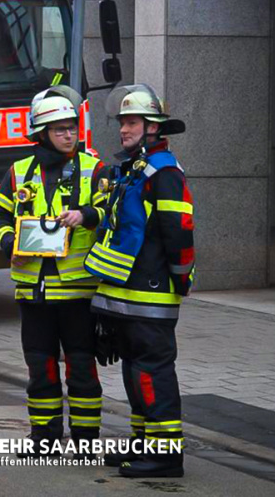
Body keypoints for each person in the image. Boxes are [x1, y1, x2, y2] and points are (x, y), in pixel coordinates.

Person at [0, 86, 107, 457]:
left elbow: (111, 213)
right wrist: (8, 243)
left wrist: (84, 215)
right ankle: (44, 439)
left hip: (76, 292)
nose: (69, 134)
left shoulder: (94, 168)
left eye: (72, 127)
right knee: (40, 367)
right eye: (59, 129)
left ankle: (86, 441)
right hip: (34, 292)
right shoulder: (19, 172)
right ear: (41, 134)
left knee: (82, 366)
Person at [84, 84, 195, 479]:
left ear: (153, 128)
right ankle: (145, 441)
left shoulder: (164, 173)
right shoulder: (134, 170)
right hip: (126, 297)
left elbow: (179, 231)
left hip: (151, 294)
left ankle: (165, 455)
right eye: (123, 122)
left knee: (152, 372)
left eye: (132, 122)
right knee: (135, 371)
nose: (123, 129)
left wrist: (180, 280)